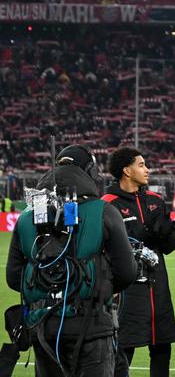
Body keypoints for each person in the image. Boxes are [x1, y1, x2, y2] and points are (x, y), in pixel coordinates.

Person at [6, 145, 137, 376]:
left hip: (43, 325)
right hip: (92, 324)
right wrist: (97, 286)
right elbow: (127, 272)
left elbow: (14, 277)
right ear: (90, 172)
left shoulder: (27, 217)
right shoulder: (104, 211)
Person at [103, 147, 175, 377]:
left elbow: (170, 248)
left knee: (162, 347)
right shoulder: (108, 203)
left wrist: (166, 234)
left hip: (158, 287)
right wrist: (142, 233)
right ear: (127, 170)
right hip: (127, 289)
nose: (147, 170)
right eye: (142, 165)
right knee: (123, 350)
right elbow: (107, 247)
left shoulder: (156, 200)